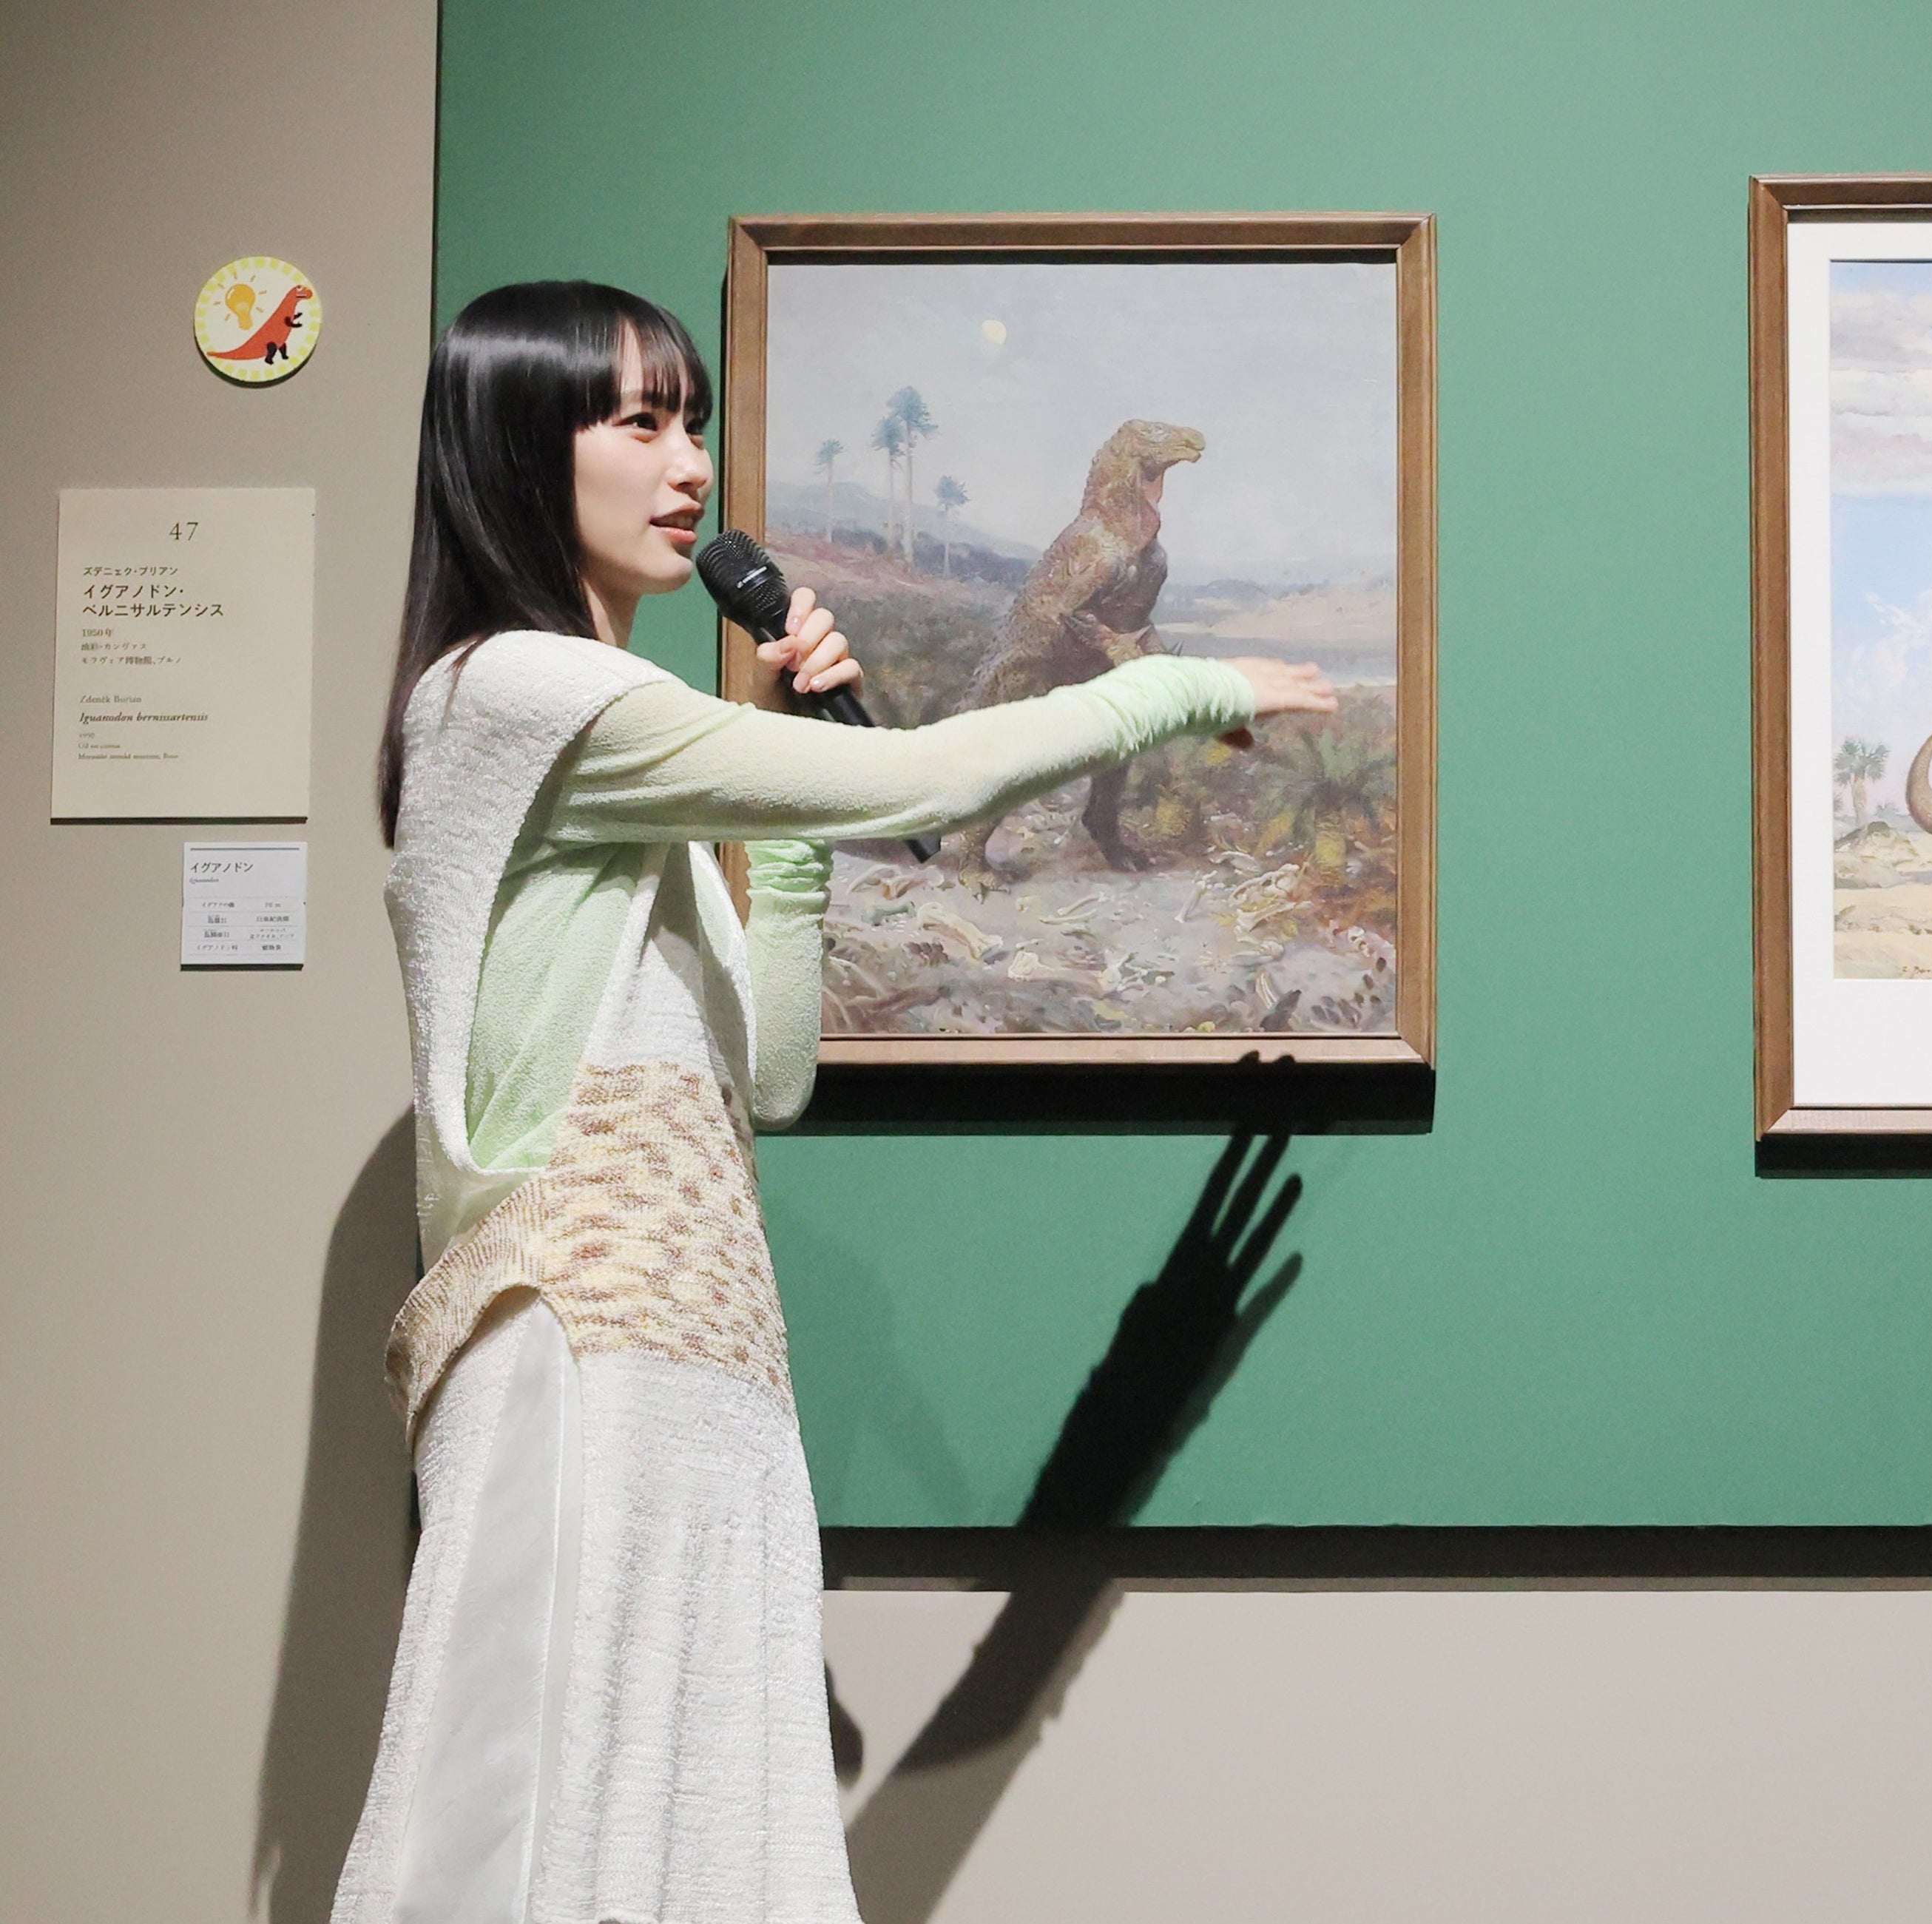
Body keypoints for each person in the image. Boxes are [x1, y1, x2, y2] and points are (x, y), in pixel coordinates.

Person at [332, 280, 1333, 1924]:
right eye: (639, 423)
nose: (688, 466)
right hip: (582, 1344)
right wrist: (1177, 685)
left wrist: (780, 779)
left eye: (693, 423)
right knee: (534, 1840)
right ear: (516, 449)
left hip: (703, 1365)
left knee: (685, 1855)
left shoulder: (612, 756)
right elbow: (926, 779)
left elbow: (774, 1071)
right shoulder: (511, 692)